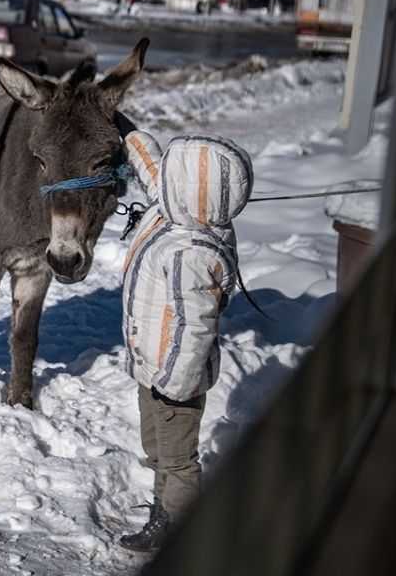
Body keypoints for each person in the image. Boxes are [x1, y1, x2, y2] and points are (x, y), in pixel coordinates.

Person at [116, 131, 253, 552]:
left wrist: (174, 386)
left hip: (176, 379)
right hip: (151, 365)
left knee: (178, 461)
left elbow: (194, 329)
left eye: (177, 177)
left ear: (193, 191)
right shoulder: (177, 210)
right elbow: (153, 170)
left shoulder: (191, 253)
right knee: (156, 447)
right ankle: (164, 508)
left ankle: (176, 526)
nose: (166, 183)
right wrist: (128, 132)